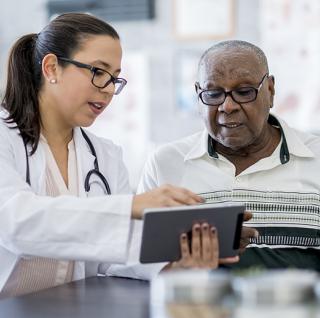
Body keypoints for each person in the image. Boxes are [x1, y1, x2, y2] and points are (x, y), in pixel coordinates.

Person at [0, 13, 227, 299]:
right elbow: (15, 224)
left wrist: (175, 262)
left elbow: (117, 250)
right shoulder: (4, 139)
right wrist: (129, 206)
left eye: (115, 79)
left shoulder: (105, 156)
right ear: (52, 68)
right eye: (98, 72)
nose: (108, 90)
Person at [108, 40, 320, 278]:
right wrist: (176, 266)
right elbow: (124, 259)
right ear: (198, 96)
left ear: (269, 91)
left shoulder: (316, 159)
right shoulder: (166, 163)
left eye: (244, 92)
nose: (227, 106)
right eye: (213, 94)